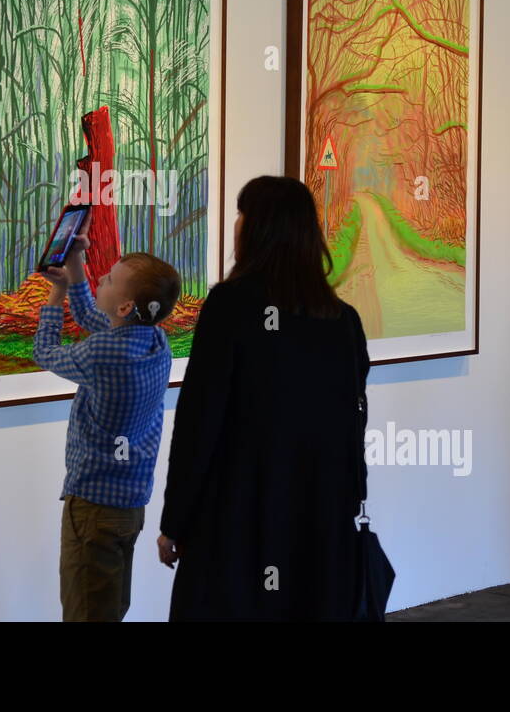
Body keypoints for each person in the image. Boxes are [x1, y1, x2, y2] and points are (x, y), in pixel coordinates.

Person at [157, 175, 371, 621]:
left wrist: (175, 519)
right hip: (319, 520)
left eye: (242, 212)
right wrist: (347, 504)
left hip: (238, 518)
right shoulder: (342, 320)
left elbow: (200, 420)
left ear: (260, 228)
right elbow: (352, 424)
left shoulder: (230, 307)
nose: (236, 223)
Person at [35, 235, 181, 622]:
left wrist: (56, 296)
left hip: (93, 508)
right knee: (109, 609)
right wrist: (77, 265)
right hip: (129, 506)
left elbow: (45, 352)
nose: (101, 278)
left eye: (109, 279)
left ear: (126, 304)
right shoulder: (155, 340)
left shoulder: (104, 353)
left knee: (86, 612)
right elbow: (94, 318)